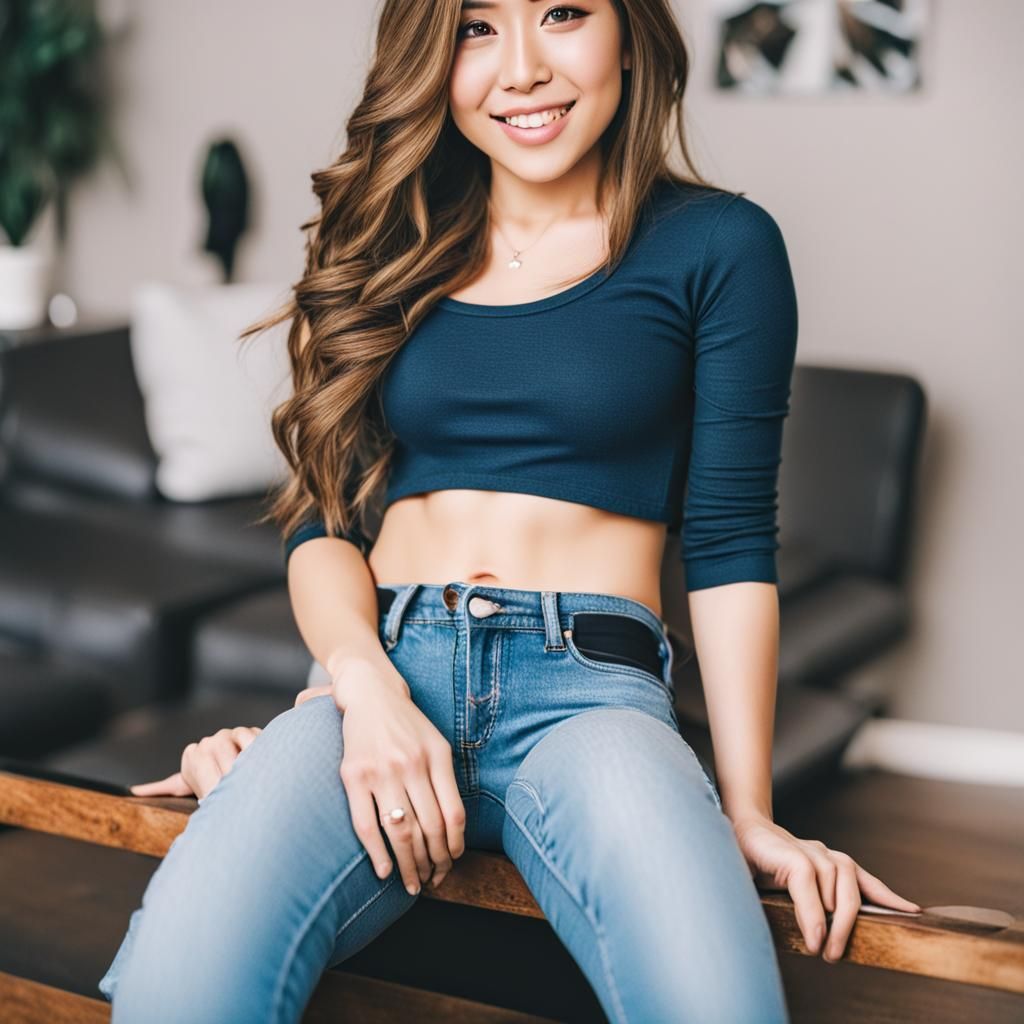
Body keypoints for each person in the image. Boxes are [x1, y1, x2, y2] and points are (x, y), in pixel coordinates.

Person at [99, 1, 922, 1020]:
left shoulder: (722, 246)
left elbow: (728, 540)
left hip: (591, 696)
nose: (521, 67)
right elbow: (324, 529)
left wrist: (750, 809)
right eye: (477, 27)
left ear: (630, 32)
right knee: (177, 991)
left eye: (563, 13)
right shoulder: (384, 241)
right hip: (377, 690)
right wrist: (359, 689)